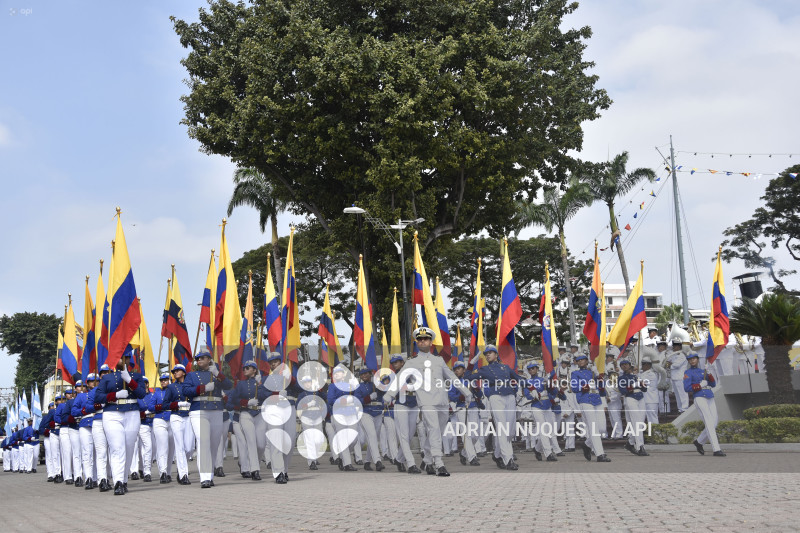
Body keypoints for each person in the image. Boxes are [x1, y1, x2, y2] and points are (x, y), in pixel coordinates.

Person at [385, 327, 473, 477]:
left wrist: (466, 392)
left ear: (431, 342)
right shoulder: (412, 362)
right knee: (433, 429)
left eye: (425, 339)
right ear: (417, 342)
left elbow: (451, 377)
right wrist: (389, 394)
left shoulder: (438, 360)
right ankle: (439, 463)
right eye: (419, 339)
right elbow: (400, 379)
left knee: (437, 431)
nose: (422, 341)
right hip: (426, 401)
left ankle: (427, 460)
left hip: (442, 401)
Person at [95, 351, 148, 495]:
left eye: (125, 357)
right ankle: (118, 481)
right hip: (112, 413)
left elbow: (142, 394)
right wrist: (115, 395)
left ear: (129, 359)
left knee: (129, 448)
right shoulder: (107, 378)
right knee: (117, 448)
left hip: (132, 413)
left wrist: (130, 381)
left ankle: (124, 480)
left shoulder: (136, 376)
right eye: (119, 357)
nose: (122, 360)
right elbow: (98, 397)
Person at [182, 348, 233, 488]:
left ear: (209, 359)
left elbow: (229, 385)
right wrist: (203, 388)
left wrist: (217, 373)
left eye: (202, 357)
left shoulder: (216, 374)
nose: (199, 360)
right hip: (199, 410)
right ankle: (204, 477)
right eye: (197, 358)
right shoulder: (192, 375)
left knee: (214, 444)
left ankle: (209, 475)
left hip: (216, 409)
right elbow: (185, 390)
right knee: (203, 441)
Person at [469, 344, 520, 471]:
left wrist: (530, 388)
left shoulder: (505, 367)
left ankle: (497, 455)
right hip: (496, 397)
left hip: (510, 396)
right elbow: (468, 377)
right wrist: (471, 364)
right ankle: (508, 459)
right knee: (502, 428)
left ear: (496, 355)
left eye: (490, 352)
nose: (487, 355)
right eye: (486, 354)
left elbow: (518, 378)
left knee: (510, 431)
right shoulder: (485, 369)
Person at [263, 352, 302, 484]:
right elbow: (262, 394)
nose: (273, 364)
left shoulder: (287, 376)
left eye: (276, 361)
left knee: (289, 441)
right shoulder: (267, 379)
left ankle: (284, 470)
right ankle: (278, 472)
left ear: (281, 362)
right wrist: (276, 393)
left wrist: (291, 378)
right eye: (271, 362)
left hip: (289, 407)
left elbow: (299, 389)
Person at [232, 360, 269, 480]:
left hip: (259, 413)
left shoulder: (261, 382)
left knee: (261, 444)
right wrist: (246, 402)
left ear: (254, 370)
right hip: (246, 413)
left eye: (248, 368)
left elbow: (267, 396)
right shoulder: (241, 384)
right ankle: (255, 470)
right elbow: (234, 399)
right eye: (244, 368)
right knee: (251, 441)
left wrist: (260, 383)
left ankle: (255, 464)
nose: (245, 370)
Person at [570, 353, 610, 462]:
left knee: (602, 428)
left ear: (587, 361)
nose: (580, 362)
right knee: (593, 428)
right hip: (585, 400)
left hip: (597, 399)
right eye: (578, 360)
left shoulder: (592, 373)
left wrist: (599, 377)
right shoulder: (575, 373)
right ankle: (600, 454)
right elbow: (574, 387)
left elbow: (601, 389)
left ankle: (587, 444)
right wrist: (583, 387)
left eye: (583, 360)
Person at [684, 353, 726, 457]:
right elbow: (687, 388)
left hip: (709, 395)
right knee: (709, 422)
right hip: (699, 396)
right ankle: (716, 449)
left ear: (698, 359)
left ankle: (699, 442)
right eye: (690, 359)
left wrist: (709, 374)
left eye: (694, 359)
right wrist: (699, 385)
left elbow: (713, 384)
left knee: (714, 422)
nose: (692, 361)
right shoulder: (688, 372)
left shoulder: (703, 371)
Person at [162, 363, 192, 485]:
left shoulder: (190, 385)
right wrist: (178, 404)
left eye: (177, 370)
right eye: (174, 371)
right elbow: (165, 404)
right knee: (180, 446)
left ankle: (181, 468)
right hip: (176, 416)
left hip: (188, 416)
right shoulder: (171, 387)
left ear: (184, 372)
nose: (175, 373)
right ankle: (183, 474)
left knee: (189, 448)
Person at [522, 361, 558, 462]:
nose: (531, 370)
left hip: (547, 405)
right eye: (529, 369)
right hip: (536, 406)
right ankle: (548, 453)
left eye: (533, 368)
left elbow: (554, 392)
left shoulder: (543, 379)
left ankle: (537, 449)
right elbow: (528, 395)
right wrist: (536, 394)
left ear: (537, 369)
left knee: (549, 430)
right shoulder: (528, 382)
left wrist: (550, 384)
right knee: (543, 429)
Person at [327, 364, 360, 472]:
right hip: (338, 414)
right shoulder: (332, 386)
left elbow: (357, 396)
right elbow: (330, 400)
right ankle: (347, 464)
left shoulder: (350, 385)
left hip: (351, 413)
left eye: (339, 372)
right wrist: (344, 400)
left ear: (344, 374)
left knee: (354, 439)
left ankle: (342, 457)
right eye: (335, 373)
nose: (336, 375)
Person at [353, 367, 386, 472]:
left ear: (371, 374)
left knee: (374, 438)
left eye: (366, 373)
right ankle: (378, 461)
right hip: (366, 412)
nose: (364, 376)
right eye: (362, 374)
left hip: (378, 412)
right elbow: (356, 401)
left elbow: (385, 390)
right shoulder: (359, 387)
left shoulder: (376, 384)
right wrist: (369, 398)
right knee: (372, 436)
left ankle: (367, 462)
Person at [449, 361, 481, 467]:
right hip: (461, 407)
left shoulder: (471, 380)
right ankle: (472, 457)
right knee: (466, 433)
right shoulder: (454, 382)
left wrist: (477, 390)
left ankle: (464, 453)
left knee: (475, 434)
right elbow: (451, 395)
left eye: (459, 368)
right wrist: (459, 397)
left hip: (473, 407)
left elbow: (480, 394)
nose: (457, 371)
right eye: (455, 369)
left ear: (464, 370)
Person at [619, 356, 649, 457]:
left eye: (626, 364)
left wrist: (642, 383)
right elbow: (623, 391)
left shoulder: (636, 376)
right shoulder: (621, 378)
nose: (624, 366)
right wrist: (634, 385)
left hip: (640, 398)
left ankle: (630, 443)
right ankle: (640, 446)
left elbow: (645, 389)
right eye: (622, 365)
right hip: (630, 398)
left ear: (629, 366)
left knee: (640, 423)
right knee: (636, 423)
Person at [88, 363, 112, 491]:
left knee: (113, 452)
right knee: (101, 452)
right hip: (98, 420)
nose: (106, 375)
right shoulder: (94, 391)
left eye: (108, 373)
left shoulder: (115, 389)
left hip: (113, 421)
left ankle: (113, 478)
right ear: (100, 376)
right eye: (103, 373)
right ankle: (102, 479)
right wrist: (98, 406)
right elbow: (87, 407)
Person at [149, 372, 175, 484]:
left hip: (172, 419)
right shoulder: (157, 393)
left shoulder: (174, 391)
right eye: (162, 380)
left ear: (170, 380)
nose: (163, 381)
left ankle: (168, 473)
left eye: (165, 379)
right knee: (162, 447)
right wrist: (160, 407)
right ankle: (162, 473)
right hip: (160, 419)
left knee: (171, 449)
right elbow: (150, 406)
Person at [72, 373, 97, 489]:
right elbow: (74, 411)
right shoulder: (81, 396)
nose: (94, 383)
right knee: (87, 452)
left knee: (99, 453)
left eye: (96, 381)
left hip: (98, 422)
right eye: (91, 381)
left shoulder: (100, 393)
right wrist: (83, 411)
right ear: (87, 383)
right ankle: (89, 478)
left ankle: (99, 477)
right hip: (85, 423)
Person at [55, 386, 78, 485]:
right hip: (65, 428)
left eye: (72, 393)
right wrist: (65, 421)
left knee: (75, 452)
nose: (71, 395)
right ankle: (67, 476)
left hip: (75, 427)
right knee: (67, 452)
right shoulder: (61, 405)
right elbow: (57, 417)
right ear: (65, 395)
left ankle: (75, 474)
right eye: (68, 393)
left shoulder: (76, 402)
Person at [665, 339, 690, 413]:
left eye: (675, 346)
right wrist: (669, 363)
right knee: (677, 394)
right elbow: (667, 362)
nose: (674, 348)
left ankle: (685, 408)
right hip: (674, 377)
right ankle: (680, 408)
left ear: (679, 347)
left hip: (680, 377)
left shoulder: (681, 355)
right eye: (673, 346)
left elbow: (676, 365)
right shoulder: (674, 355)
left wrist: (670, 364)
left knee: (682, 393)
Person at [639, 354, 661, 425]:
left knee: (653, 418)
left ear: (648, 365)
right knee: (648, 419)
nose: (642, 366)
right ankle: (652, 431)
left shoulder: (651, 374)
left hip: (651, 399)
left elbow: (642, 383)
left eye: (643, 364)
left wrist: (636, 375)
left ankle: (656, 431)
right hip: (646, 399)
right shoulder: (643, 373)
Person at [48, 394, 63, 483]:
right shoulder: (52, 411)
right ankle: (57, 473)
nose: (61, 401)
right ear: (56, 402)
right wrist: (50, 425)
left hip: (64, 432)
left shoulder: (66, 408)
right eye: (59, 400)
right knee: (55, 454)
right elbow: (45, 424)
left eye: (63, 399)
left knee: (64, 454)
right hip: (54, 433)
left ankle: (66, 473)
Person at [39, 402, 56, 481]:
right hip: (48, 438)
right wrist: (46, 431)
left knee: (56, 455)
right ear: (49, 408)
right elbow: (41, 429)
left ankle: (57, 473)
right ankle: (50, 474)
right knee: (49, 455)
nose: (53, 407)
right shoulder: (45, 417)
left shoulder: (58, 414)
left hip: (56, 436)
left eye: (54, 406)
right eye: (51, 406)